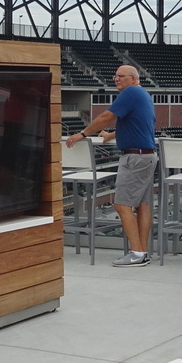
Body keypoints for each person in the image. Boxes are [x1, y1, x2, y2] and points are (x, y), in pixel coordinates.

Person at [66, 64, 155, 267]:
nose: (116, 79)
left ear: (133, 78)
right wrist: (112, 135)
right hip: (146, 156)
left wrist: (82, 134)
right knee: (142, 206)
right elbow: (139, 125)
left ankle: (137, 253)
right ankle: (142, 252)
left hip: (135, 158)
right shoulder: (143, 94)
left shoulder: (131, 92)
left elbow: (106, 117)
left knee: (122, 204)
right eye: (115, 75)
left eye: (121, 76)